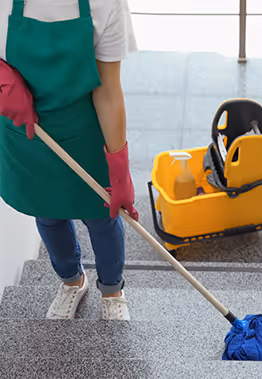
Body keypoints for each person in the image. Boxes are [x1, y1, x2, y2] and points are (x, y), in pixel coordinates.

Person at [0, 0, 139, 320]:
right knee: (47, 213)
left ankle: (112, 290)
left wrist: (119, 169)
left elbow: (107, 90)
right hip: (29, 134)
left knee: (102, 216)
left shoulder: (107, 4)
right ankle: (72, 282)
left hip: (85, 132)